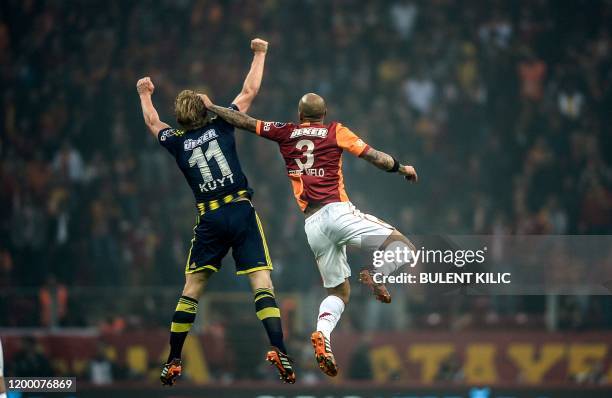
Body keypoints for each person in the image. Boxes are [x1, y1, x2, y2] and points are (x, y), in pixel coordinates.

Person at [201, 92, 417, 377]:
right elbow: (375, 157)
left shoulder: (285, 132)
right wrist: (402, 168)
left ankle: (322, 335)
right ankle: (377, 275)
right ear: (324, 113)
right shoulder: (335, 130)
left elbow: (243, 121)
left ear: (300, 114)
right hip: (339, 211)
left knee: (339, 291)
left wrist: (210, 106)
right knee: (404, 247)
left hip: (313, 224)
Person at [136, 38, 295, 385]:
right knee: (261, 282)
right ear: (205, 110)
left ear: (180, 116)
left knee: (191, 288)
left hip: (209, 218)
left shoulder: (176, 141)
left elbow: (152, 123)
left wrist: (144, 92)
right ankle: (278, 348)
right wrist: (260, 53)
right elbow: (250, 90)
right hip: (239, 209)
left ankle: (174, 358)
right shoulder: (222, 124)